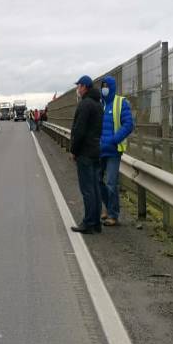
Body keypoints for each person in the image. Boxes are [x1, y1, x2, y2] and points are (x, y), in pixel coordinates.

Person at [70, 75, 104, 234]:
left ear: (84, 86)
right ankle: (96, 223)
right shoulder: (98, 104)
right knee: (95, 188)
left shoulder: (85, 104)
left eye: (78, 86)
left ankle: (88, 223)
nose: (77, 89)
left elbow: (79, 130)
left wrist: (74, 151)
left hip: (85, 151)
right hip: (96, 149)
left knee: (87, 189)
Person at [99, 76, 134, 227]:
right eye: (102, 86)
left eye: (107, 86)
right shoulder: (100, 104)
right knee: (97, 181)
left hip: (113, 150)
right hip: (99, 150)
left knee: (111, 183)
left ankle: (113, 215)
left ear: (112, 87)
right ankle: (108, 207)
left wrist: (114, 139)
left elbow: (128, 124)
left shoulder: (121, 103)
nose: (104, 88)